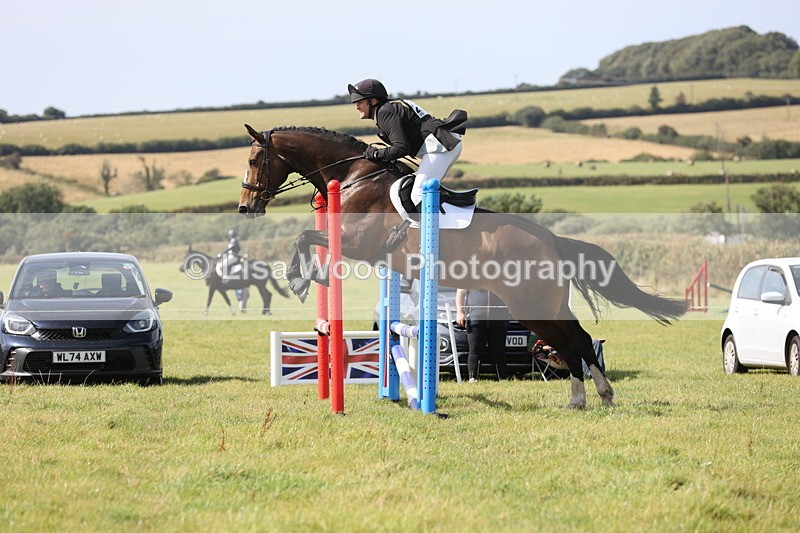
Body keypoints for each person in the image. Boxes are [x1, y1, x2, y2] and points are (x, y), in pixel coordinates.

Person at [347, 78, 467, 209]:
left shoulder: (384, 112)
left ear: (373, 101)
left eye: (360, 102)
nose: (357, 106)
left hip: (441, 148)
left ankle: (436, 228)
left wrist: (377, 154)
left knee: (418, 194)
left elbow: (401, 148)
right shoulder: (387, 109)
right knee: (413, 189)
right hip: (444, 146)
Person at [455, 288, 510, 382]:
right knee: (475, 351)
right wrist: (460, 312)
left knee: (499, 351)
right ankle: (472, 378)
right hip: (475, 320)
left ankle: (502, 378)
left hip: (499, 320)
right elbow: (460, 292)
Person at [221, 229, 249, 312]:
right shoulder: (234, 240)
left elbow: (230, 250)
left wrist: (223, 254)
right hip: (233, 255)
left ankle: (226, 277)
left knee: (223, 265)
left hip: (233, 256)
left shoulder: (233, 241)